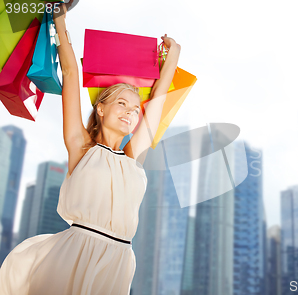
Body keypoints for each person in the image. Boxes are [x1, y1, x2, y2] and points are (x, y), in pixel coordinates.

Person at [0, 2, 180, 294]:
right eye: (121, 103)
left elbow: (158, 101)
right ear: (101, 109)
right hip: (74, 254)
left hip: (120, 262)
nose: (130, 113)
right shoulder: (81, 146)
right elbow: (71, 73)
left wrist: (174, 56)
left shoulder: (134, 157)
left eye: (135, 109)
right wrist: (60, 19)